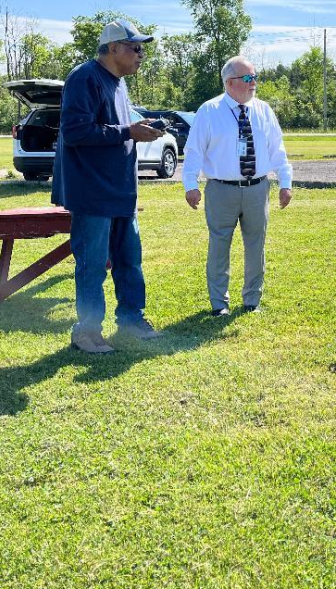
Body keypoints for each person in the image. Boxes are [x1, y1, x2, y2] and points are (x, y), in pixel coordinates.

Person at [52, 19, 166, 354]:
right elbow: (75, 132)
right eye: (135, 48)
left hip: (119, 192)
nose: (141, 54)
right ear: (114, 48)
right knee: (93, 264)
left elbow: (116, 125)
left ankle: (131, 319)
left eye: (141, 48)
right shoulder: (84, 77)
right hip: (93, 193)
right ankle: (86, 332)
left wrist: (137, 126)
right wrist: (129, 132)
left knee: (129, 259)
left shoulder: (118, 83)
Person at [182, 56, 293, 316]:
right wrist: (190, 184)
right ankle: (219, 303)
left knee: (256, 245)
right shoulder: (209, 110)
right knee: (219, 245)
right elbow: (194, 150)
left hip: (257, 188)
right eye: (248, 78)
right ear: (230, 82)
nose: (254, 82)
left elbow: (277, 149)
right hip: (221, 189)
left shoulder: (264, 110)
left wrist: (285, 182)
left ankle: (252, 300)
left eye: (255, 77)